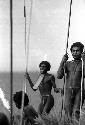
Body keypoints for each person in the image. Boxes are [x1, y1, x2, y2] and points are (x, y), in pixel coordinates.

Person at [57, 42, 85, 121]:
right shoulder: (68, 63)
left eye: (77, 51)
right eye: (73, 51)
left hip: (79, 91)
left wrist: (84, 60)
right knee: (67, 111)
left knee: (76, 112)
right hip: (68, 90)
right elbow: (59, 76)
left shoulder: (83, 63)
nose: (75, 52)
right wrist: (62, 61)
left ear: (82, 52)